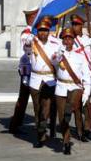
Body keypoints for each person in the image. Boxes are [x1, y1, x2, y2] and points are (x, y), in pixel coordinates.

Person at [55, 27, 91, 155]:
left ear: (73, 40)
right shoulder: (58, 54)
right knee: (63, 118)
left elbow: (86, 74)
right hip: (61, 87)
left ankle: (70, 111)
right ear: (62, 40)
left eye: (70, 38)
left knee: (70, 106)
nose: (67, 40)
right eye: (65, 38)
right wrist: (60, 53)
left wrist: (87, 91)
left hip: (75, 87)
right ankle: (66, 142)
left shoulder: (80, 56)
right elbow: (54, 60)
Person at [28, 19, 61, 148]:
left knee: (47, 107)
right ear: (37, 32)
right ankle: (40, 137)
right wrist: (28, 40)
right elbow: (26, 48)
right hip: (35, 79)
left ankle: (46, 125)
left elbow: (59, 61)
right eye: (41, 30)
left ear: (49, 32)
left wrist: (58, 58)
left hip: (49, 79)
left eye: (45, 31)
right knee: (37, 109)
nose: (43, 33)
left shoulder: (55, 43)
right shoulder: (32, 42)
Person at [70, 14, 91, 140]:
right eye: (73, 24)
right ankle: (80, 130)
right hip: (74, 77)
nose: (74, 27)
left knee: (87, 103)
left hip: (87, 76)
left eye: (77, 24)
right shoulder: (68, 39)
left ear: (82, 26)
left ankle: (87, 126)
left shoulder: (89, 40)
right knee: (76, 106)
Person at [9, 7, 38, 134]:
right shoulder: (26, 33)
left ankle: (39, 124)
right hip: (27, 70)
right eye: (36, 16)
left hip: (37, 69)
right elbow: (27, 49)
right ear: (31, 17)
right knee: (23, 98)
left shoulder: (37, 31)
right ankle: (14, 125)